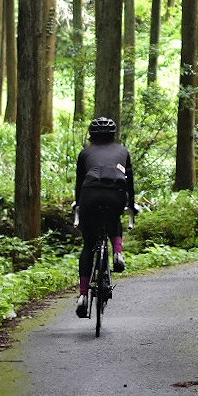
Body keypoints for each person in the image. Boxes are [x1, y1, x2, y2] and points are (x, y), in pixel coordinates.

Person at [74, 116, 135, 318]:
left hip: (90, 195)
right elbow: (130, 182)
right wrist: (131, 204)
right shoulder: (123, 151)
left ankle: (83, 295)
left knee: (88, 245)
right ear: (113, 135)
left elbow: (79, 183)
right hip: (116, 194)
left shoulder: (85, 153)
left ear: (91, 135)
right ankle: (118, 253)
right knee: (113, 219)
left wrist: (78, 204)